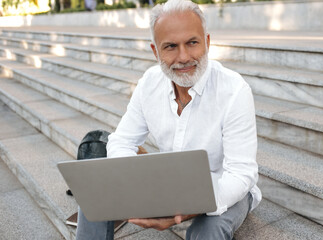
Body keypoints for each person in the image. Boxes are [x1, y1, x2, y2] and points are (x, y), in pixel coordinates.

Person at [76, 0, 261, 239]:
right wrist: (132, 184)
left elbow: (240, 174)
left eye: (192, 43)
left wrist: (185, 210)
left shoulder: (234, 90)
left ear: (207, 42)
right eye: (171, 46)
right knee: (93, 193)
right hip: (170, 182)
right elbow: (121, 141)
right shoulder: (149, 83)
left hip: (224, 188)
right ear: (156, 52)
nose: (183, 57)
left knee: (209, 231)